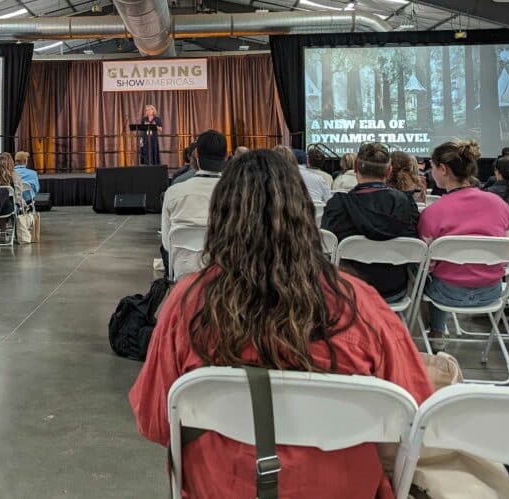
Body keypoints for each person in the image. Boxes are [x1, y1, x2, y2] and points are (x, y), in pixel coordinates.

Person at [130, 150, 433, 498]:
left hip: (220, 489)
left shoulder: (186, 304)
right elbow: (416, 418)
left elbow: (154, 421)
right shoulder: (360, 303)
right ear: (304, 215)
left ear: (221, 218)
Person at [418, 140, 509, 347]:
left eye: (432, 166)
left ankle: (436, 332)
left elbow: (427, 264)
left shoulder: (432, 213)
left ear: (442, 169)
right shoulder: (500, 205)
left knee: (419, 271)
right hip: (492, 292)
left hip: (446, 293)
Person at [321, 142, 420, 303]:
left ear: (355, 167)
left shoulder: (338, 205)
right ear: (389, 171)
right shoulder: (406, 204)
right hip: (394, 291)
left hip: (349, 291)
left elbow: (326, 246)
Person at [160, 130, 227, 281]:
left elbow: (166, 243)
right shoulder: (237, 192)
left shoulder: (173, 192)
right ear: (226, 156)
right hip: (225, 275)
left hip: (183, 275)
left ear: (196, 156)